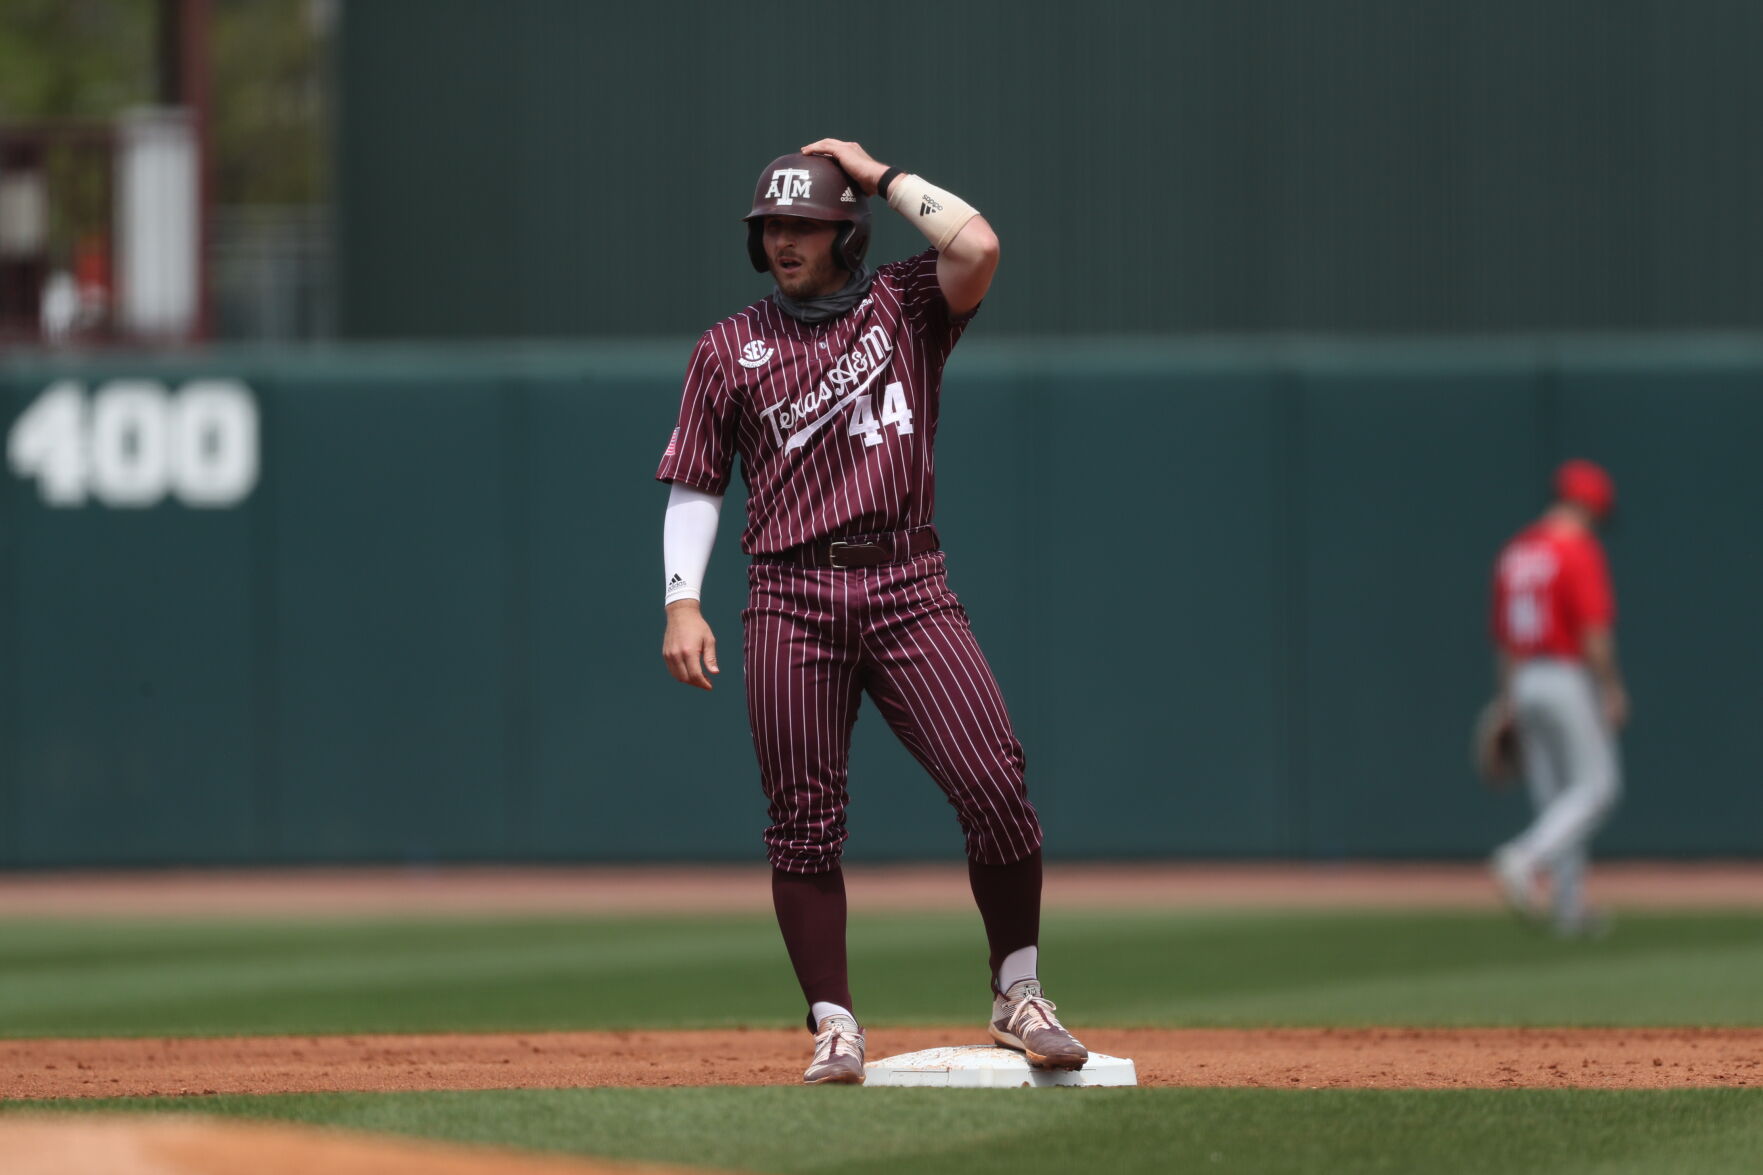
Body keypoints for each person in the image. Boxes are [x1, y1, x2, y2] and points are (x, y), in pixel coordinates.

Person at [655, 140, 1086, 1084]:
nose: (782, 240)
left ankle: (1017, 989)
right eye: (770, 225)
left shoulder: (906, 304)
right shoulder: (729, 346)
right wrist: (682, 599)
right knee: (803, 823)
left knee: (996, 787)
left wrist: (874, 171)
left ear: (846, 230)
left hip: (905, 584)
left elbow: (976, 246)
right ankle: (835, 1023)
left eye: (803, 222)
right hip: (789, 593)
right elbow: (695, 481)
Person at [1487, 459, 1627, 937]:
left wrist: (1506, 703)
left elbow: (1505, 642)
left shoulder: (1517, 552)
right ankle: (1525, 859)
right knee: (1598, 787)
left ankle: (1569, 908)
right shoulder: (1576, 549)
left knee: (1558, 801)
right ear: (1589, 506)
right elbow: (1593, 633)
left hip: (1524, 677)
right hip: (1566, 675)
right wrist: (1609, 687)